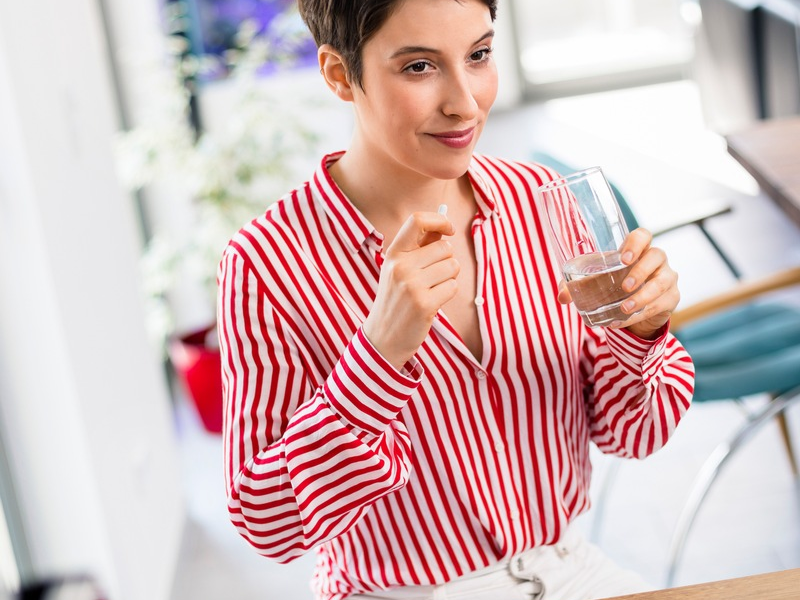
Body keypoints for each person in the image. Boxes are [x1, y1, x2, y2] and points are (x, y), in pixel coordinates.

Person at [216, 1, 695, 599]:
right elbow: (267, 524)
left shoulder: (536, 199)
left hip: (570, 570)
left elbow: (634, 434)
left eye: (479, 55)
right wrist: (378, 357)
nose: (465, 102)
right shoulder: (266, 263)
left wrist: (642, 333)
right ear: (340, 75)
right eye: (419, 66)